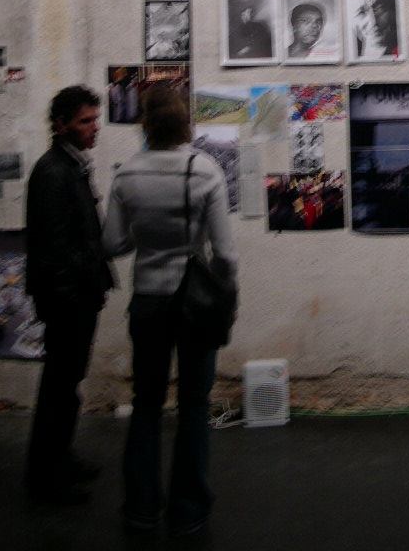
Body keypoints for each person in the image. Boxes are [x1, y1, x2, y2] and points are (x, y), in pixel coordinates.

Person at [103, 87, 237, 536]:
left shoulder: (126, 174)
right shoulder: (204, 170)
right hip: (194, 302)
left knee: (146, 403)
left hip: (147, 300)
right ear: (184, 123)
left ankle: (141, 507)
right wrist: (226, 295)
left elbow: (112, 244)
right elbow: (226, 254)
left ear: (146, 124)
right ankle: (188, 508)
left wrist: (144, 237)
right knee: (194, 405)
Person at [25, 85, 115, 503]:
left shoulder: (70, 165)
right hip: (68, 300)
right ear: (61, 125)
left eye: (95, 119)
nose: (94, 127)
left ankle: (60, 458)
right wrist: (71, 297)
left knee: (67, 384)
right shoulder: (53, 172)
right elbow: (54, 248)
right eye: (85, 121)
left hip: (76, 295)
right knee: (59, 387)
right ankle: (45, 476)